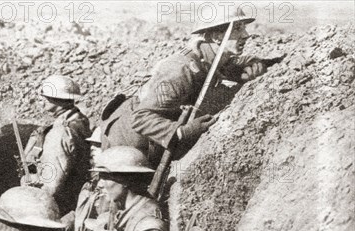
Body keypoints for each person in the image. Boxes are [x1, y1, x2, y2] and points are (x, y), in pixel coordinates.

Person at [103, 7, 267, 165]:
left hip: (153, 138)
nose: (246, 35)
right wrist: (183, 132)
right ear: (217, 36)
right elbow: (140, 119)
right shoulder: (180, 70)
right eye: (238, 28)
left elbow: (232, 65)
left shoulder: (213, 57)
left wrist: (254, 66)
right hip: (127, 143)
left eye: (244, 28)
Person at [22, 75, 92, 215]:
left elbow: (50, 187)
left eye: (45, 96)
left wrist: (30, 180)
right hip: (76, 195)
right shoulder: (79, 120)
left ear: (56, 98)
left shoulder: (58, 134)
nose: (42, 100)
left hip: (59, 206)